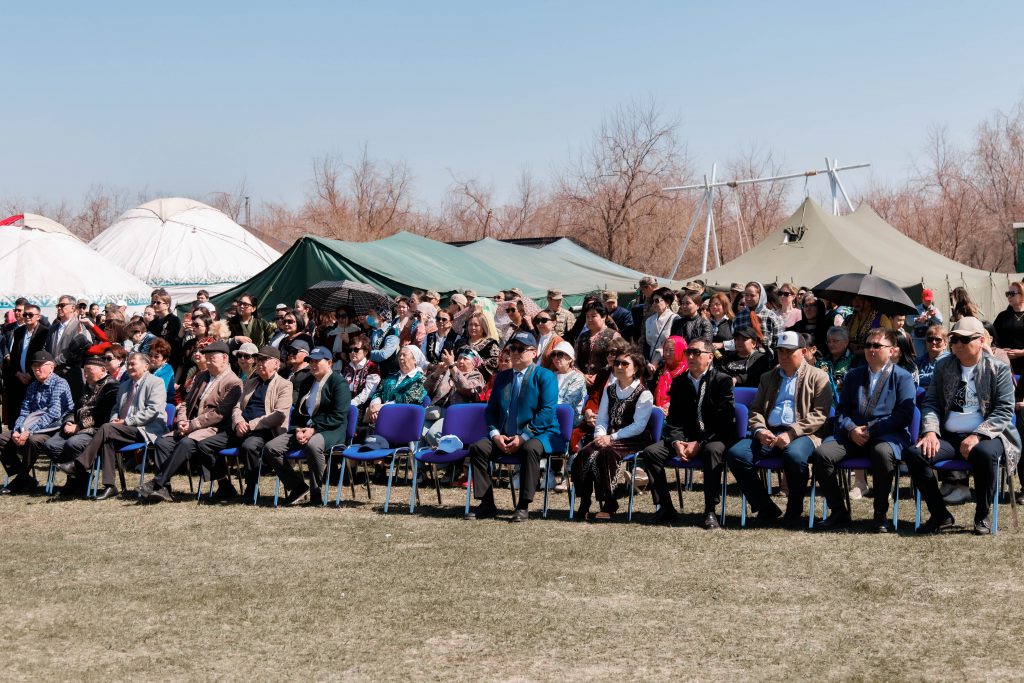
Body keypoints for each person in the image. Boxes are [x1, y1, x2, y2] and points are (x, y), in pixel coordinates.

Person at [904, 317, 1021, 535]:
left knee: (984, 454)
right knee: (914, 454)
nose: (957, 344)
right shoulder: (943, 366)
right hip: (949, 436)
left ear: (981, 340)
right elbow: (931, 403)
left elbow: (1005, 409)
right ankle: (940, 515)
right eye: (954, 339)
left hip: (989, 435)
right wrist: (930, 431)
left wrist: (978, 435)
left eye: (964, 340)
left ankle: (982, 516)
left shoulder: (998, 368)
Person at [809, 328, 916, 532]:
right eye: (868, 345)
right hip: (853, 436)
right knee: (822, 454)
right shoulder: (853, 375)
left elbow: (904, 415)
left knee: (882, 453)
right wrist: (851, 429)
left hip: (887, 435)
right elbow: (840, 411)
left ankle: (880, 514)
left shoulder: (902, 377)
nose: (871, 349)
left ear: (892, 350)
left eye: (877, 345)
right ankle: (838, 511)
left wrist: (871, 429)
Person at [726, 331, 832, 526]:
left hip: (803, 433)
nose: (783, 356)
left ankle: (794, 510)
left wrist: (791, 433)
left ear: (803, 352)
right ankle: (766, 507)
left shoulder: (818, 376)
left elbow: (820, 414)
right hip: (770, 432)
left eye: (789, 352)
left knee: (794, 456)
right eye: (780, 351)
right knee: (736, 454)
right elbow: (756, 409)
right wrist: (759, 430)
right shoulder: (768, 377)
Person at [466, 331, 563, 522]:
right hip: (505, 435)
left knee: (529, 448)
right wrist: (495, 434)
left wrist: (524, 436)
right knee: (478, 448)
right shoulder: (502, 377)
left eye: (521, 349)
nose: (515, 353)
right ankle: (486, 504)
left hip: (540, 434)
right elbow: (491, 410)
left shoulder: (545, 376)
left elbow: (547, 411)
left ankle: (523, 506)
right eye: (512, 349)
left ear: (534, 352)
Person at [642, 338, 737, 529]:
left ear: (710, 357)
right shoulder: (679, 382)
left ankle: (710, 510)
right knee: (651, 452)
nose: (691, 356)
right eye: (688, 352)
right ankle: (665, 507)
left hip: (714, 436)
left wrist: (699, 444)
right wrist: (676, 442)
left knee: (712, 451)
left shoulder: (722, 380)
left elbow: (724, 421)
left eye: (696, 352)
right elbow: (674, 420)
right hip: (685, 438)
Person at [140, 341, 243, 503]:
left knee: (186, 443)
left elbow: (219, 414)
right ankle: (164, 488)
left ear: (224, 358)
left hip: (213, 429)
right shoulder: (202, 376)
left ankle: (157, 483)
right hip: (189, 426)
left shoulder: (233, 382)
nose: (207, 361)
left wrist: (192, 425)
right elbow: (186, 403)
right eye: (206, 357)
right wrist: (182, 420)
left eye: (212, 358)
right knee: (162, 442)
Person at [58, 352, 168, 498]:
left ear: (146, 366)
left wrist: (126, 422)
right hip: (121, 428)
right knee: (107, 438)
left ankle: (79, 465)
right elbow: (116, 409)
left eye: (133, 364)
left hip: (146, 429)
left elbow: (152, 411)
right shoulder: (124, 385)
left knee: (106, 429)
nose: (129, 367)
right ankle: (110, 486)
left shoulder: (156, 382)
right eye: (128, 364)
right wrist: (114, 420)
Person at [197, 345, 292, 503]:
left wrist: (250, 425)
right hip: (240, 428)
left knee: (249, 446)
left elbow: (279, 415)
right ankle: (224, 485)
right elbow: (237, 407)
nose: (259, 362)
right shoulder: (251, 382)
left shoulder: (284, 384)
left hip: (263, 431)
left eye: (264, 359)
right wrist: (239, 422)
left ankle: (252, 487)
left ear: (276, 363)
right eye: (258, 359)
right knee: (204, 445)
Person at [261, 346, 351, 506]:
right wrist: (296, 429)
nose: (313, 365)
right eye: (311, 361)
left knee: (313, 445)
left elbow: (338, 415)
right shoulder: (307, 381)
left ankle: (316, 493)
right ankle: (297, 487)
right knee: (271, 448)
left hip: (331, 429)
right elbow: (297, 412)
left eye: (317, 361)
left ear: (329, 362)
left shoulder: (339, 383)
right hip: (304, 429)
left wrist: (314, 430)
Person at [572, 348, 653, 521]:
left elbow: (638, 426)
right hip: (610, 436)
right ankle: (584, 502)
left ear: (636, 368)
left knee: (606, 453)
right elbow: (602, 418)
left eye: (625, 364)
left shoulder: (644, 393)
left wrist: (611, 438)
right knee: (584, 453)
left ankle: (610, 504)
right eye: (617, 363)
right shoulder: (610, 390)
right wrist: (599, 436)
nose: (619, 367)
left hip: (635, 438)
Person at [0, 351, 74, 494]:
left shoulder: (60, 383)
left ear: (51, 367)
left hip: (54, 429)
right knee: (2, 439)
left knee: (33, 441)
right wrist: (17, 430)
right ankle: (25, 477)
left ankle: (21, 479)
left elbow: (53, 414)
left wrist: (29, 431)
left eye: (40, 365)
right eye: (34, 366)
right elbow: (24, 411)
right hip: (31, 426)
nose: (36, 369)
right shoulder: (33, 386)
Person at [43, 354, 119, 481]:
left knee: (73, 444)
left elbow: (103, 414)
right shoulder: (86, 386)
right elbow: (75, 408)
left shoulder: (112, 387)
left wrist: (79, 426)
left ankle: (75, 480)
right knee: (50, 445)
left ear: (102, 370)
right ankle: (81, 478)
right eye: (85, 371)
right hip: (74, 427)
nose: (86, 375)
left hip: (96, 430)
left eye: (89, 371)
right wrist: (69, 422)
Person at [3, 304, 49, 430]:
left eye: (30, 314)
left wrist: (30, 374)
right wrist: (18, 373)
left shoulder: (44, 332)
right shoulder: (19, 331)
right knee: (16, 412)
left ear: (38, 317)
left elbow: (44, 356)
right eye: (25, 314)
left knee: (32, 413)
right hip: (18, 378)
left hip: (35, 379)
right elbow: (14, 356)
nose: (27, 317)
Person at [46, 294, 93, 402]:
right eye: (58, 305)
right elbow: (46, 347)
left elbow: (75, 350)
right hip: (53, 374)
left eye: (62, 305)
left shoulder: (79, 326)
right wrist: (47, 363)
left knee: (70, 406)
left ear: (72, 307)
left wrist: (56, 362)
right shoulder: (53, 328)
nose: (59, 308)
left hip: (70, 374)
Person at [366, 346, 427, 425]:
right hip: (379, 417)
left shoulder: (420, 379)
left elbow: (408, 400)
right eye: (400, 355)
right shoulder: (391, 376)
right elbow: (379, 392)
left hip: (402, 421)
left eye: (404, 355)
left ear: (414, 359)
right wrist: (374, 407)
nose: (401, 358)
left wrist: (381, 407)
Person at [575, 302, 623, 384]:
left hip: (606, 382)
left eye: (593, 316)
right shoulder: (582, 336)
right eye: (587, 316)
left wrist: (599, 375)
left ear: (604, 317)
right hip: (582, 383)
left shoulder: (614, 336)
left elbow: (618, 360)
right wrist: (582, 376)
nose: (589, 320)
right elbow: (574, 360)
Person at [733, 281, 783, 357]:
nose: (748, 298)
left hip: (766, 358)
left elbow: (777, 342)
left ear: (760, 296)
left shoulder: (771, 316)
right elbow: (735, 339)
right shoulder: (739, 317)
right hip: (743, 359)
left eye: (752, 295)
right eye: (746, 295)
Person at [643, 287, 679, 376]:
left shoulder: (675, 319)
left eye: (657, 301)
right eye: (652, 301)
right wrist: (647, 362)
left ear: (667, 302)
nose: (654, 304)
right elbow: (646, 344)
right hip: (650, 362)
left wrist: (659, 364)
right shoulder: (649, 320)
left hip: (667, 362)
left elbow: (676, 346)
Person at [992, 280, 1024, 376]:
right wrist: (1001, 352)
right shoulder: (1002, 316)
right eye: (1007, 294)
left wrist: (1022, 352)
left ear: (1022, 295)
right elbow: (992, 338)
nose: (1009, 297)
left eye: (1012, 294)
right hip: (1006, 366)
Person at [343, 339, 381, 415]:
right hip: (344, 406)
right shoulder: (347, 366)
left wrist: (349, 405)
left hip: (361, 410)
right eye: (350, 350)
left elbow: (367, 393)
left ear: (366, 352)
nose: (352, 352)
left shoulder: (372, 368)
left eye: (356, 350)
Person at [653, 335, 688, 412]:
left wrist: (671, 407)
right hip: (659, 411)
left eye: (671, 350)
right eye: (665, 350)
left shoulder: (688, 373)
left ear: (681, 350)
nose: (667, 354)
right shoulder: (661, 370)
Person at [147, 291, 182, 365]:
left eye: (158, 303)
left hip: (170, 358)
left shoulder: (174, 320)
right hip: (154, 358)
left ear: (167, 305)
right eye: (153, 302)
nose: (154, 305)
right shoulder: (152, 323)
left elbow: (174, 341)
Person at [464, 311, 500, 381]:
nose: (472, 327)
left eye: (476, 325)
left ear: (483, 327)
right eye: (470, 325)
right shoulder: (460, 343)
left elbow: (495, 362)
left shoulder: (491, 343)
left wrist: (474, 364)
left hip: (480, 381)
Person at [366, 306, 400, 378]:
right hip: (371, 372)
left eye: (371, 314)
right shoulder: (370, 331)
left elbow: (384, 354)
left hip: (387, 374)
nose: (368, 317)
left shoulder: (392, 332)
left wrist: (366, 354)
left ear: (380, 317)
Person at [916, 324, 949, 389]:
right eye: (930, 339)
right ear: (926, 342)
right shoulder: (918, 361)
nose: (933, 342)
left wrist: (918, 378)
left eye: (938, 339)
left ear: (945, 344)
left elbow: (938, 377)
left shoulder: (950, 360)